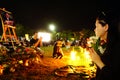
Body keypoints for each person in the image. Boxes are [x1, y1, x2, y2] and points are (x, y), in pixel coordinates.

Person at [88, 11, 120, 80]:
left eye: (96, 26)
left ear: (106, 27)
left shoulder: (116, 47)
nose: (94, 29)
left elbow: (114, 76)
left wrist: (98, 62)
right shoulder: (109, 45)